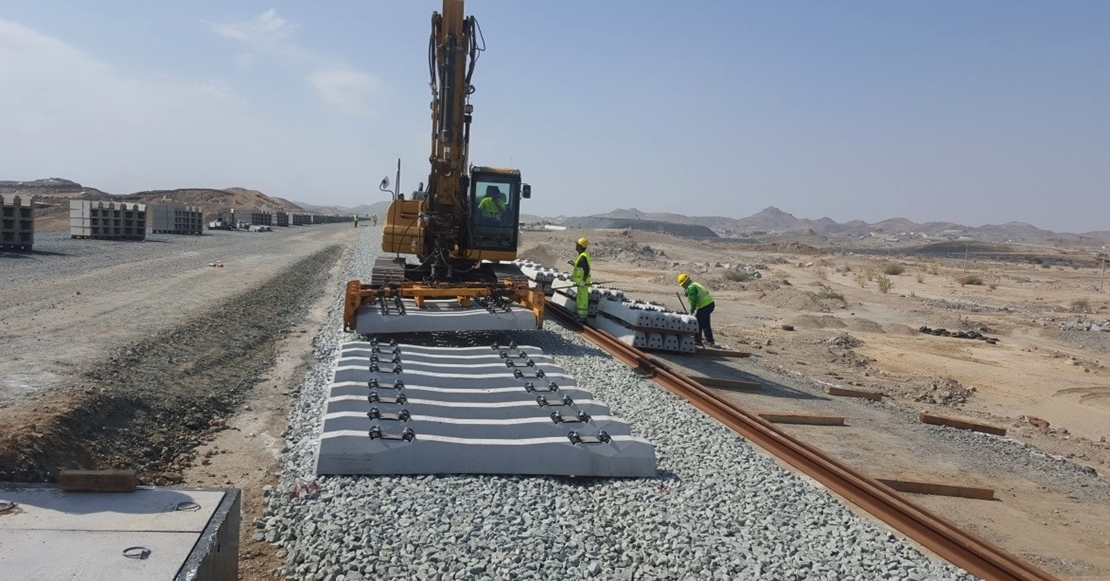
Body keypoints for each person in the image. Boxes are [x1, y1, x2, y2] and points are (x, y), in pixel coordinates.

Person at [677, 272, 715, 346]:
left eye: (683, 285)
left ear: (684, 283)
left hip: (705, 306)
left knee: (697, 322)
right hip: (709, 304)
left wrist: (692, 310)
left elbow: (694, 300)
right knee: (705, 323)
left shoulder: (691, 288)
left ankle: (697, 340)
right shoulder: (694, 284)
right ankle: (709, 340)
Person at [569, 237, 592, 323]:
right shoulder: (582, 256)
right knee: (580, 298)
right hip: (580, 282)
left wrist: (583, 281)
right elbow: (581, 267)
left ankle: (583, 317)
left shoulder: (583, 257)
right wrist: (574, 264)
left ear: (581, 246)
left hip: (583, 282)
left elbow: (586, 270)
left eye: (577, 245)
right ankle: (579, 315)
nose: (576, 246)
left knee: (583, 298)